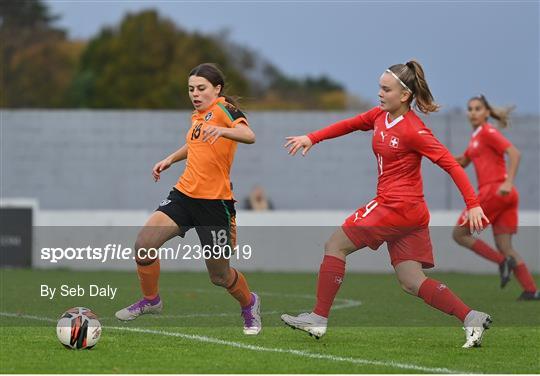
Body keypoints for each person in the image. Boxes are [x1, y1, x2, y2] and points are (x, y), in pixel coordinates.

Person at [281, 60, 492, 348]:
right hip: (411, 212)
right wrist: (312, 138)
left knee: (335, 245)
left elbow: (450, 164)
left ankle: (318, 318)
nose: (379, 93)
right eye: (379, 87)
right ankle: (471, 317)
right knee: (411, 280)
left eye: (386, 89)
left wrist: (473, 203)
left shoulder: (414, 130)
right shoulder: (380, 116)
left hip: (395, 207)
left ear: (404, 95)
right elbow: (349, 124)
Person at [115, 63, 262, 335]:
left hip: (215, 205)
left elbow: (249, 135)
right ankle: (151, 301)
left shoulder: (223, 109)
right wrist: (169, 159)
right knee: (144, 244)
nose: (195, 93)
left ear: (216, 89)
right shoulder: (198, 115)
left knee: (219, 276)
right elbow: (195, 143)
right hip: (184, 196)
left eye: (201, 88)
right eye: (191, 89)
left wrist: (224, 131)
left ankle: (250, 304)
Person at [452, 95, 539, 300]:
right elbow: (463, 162)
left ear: (487, 113)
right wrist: (431, 153)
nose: (473, 112)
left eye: (477, 108)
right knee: (506, 247)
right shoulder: (476, 138)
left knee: (459, 234)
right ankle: (530, 290)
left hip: (495, 191)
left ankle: (501, 262)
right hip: (505, 196)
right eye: (470, 109)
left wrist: (508, 182)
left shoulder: (488, 132)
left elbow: (514, 153)